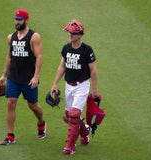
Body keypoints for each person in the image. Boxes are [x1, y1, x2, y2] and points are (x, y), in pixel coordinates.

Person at [0, 9, 46, 145]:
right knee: (10, 102)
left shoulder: (34, 37)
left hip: (28, 79)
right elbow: (9, 57)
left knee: (33, 106)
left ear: (26, 20)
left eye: (20, 19)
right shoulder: (10, 37)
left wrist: (36, 77)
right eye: (16, 19)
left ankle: (41, 123)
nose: (17, 22)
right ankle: (10, 135)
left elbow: (39, 57)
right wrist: (3, 75)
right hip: (14, 77)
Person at [50, 20, 98, 155]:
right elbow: (62, 66)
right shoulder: (66, 48)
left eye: (73, 33)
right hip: (68, 86)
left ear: (80, 35)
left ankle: (70, 147)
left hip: (82, 86)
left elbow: (93, 70)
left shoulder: (87, 50)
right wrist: (55, 84)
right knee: (68, 117)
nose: (70, 35)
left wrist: (94, 89)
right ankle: (85, 131)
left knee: (74, 114)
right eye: (69, 32)